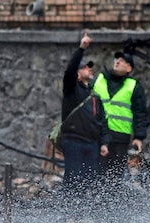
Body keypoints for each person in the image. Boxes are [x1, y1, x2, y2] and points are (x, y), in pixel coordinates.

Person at [59, 31, 110, 194]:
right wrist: (81, 48)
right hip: (74, 142)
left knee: (90, 184)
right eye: (85, 67)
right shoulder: (71, 90)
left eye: (89, 67)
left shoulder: (94, 96)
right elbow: (69, 71)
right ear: (78, 74)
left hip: (91, 144)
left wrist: (104, 142)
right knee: (73, 182)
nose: (89, 69)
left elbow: (102, 121)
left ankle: (84, 217)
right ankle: (70, 216)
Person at [92, 50, 149, 184]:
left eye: (122, 60)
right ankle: (94, 203)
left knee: (115, 176)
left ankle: (113, 203)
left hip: (120, 137)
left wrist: (139, 137)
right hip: (97, 135)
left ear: (129, 68)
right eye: (116, 59)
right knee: (95, 173)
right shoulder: (99, 80)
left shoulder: (134, 86)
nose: (117, 62)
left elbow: (140, 112)